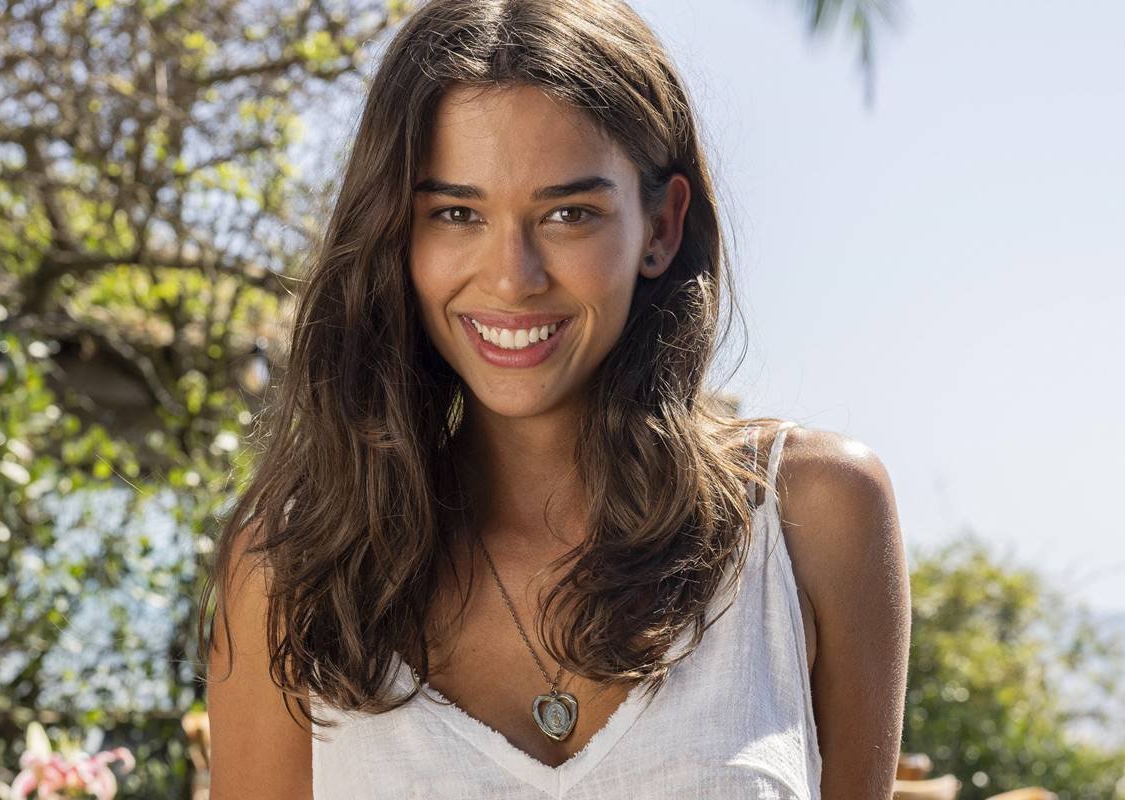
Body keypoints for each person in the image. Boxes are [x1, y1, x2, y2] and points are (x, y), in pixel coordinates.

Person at [200, 0, 911, 797]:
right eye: (457, 213)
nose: (512, 277)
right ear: (398, 234)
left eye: (570, 214)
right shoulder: (293, 571)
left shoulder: (813, 518)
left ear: (661, 228)